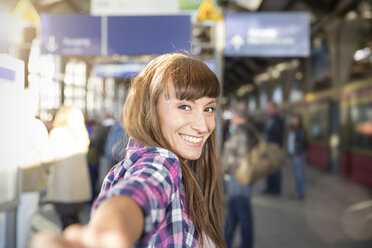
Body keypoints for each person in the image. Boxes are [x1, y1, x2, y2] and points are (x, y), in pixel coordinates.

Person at [31, 53, 226, 248]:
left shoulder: (169, 168)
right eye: (184, 106)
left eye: (208, 108)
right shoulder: (160, 161)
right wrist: (106, 233)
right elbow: (141, 190)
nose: (203, 125)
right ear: (150, 110)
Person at [45, 105, 92, 229]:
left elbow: (50, 156)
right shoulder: (82, 135)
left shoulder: (57, 133)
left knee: (64, 221)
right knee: (75, 217)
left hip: (62, 187)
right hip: (78, 187)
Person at [222, 102, 258, 248]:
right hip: (242, 177)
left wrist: (225, 167)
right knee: (234, 211)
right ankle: (226, 240)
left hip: (240, 177)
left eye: (232, 115)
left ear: (237, 116)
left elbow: (240, 157)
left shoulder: (242, 132)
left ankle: (246, 244)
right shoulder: (246, 130)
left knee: (242, 212)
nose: (231, 119)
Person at [263, 101, 284, 195]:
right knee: (268, 168)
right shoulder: (270, 119)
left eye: (269, 107)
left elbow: (277, 134)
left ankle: (276, 189)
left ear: (275, 108)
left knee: (275, 169)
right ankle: (269, 188)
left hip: (274, 148)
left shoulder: (278, 120)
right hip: (269, 147)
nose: (267, 109)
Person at [287, 114, 306, 200]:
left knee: (299, 174)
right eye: (292, 119)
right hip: (293, 154)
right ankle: (297, 192)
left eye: (295, 119)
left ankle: (299, 193)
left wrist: (298, 155)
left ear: (299, 121)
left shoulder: (301, 131)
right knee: (296, 174)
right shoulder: (292, 130)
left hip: (298, 154)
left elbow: (302, 143)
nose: (293, 121)